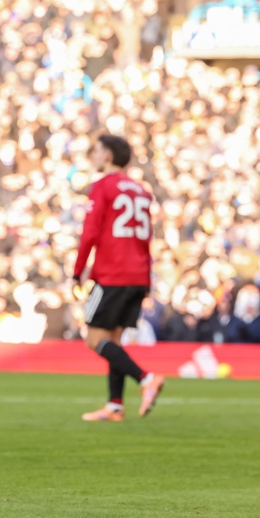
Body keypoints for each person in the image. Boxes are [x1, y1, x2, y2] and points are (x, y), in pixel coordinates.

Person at [72, 134, 165, 422]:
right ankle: (115, 405)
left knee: (94, 338)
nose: (94, 156)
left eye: (97, 151)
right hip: (139, 275)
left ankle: (146, 378)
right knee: (114, 339)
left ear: (108, 155)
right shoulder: (141, 191)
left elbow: (90, 232)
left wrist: (77, 272)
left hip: (112, 274)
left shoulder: (103, 187)